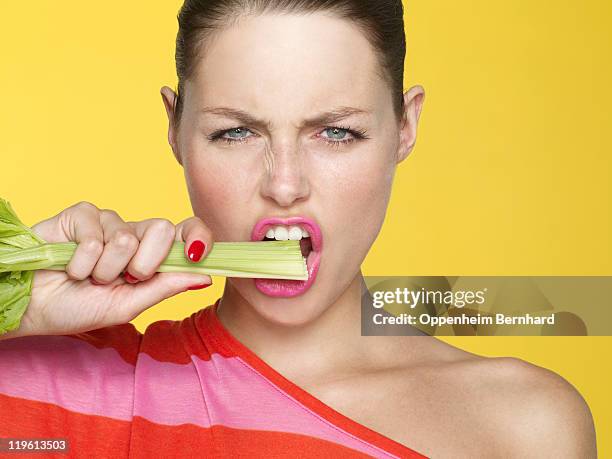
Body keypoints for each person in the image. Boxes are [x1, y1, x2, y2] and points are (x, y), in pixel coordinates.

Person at [0, 1, 597, 457]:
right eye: (236, 132)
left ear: (405, 126)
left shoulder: (526, 425)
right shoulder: (62, 385)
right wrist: (17, 304)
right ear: (176, 130)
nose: (284, 185)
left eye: (336, 132)